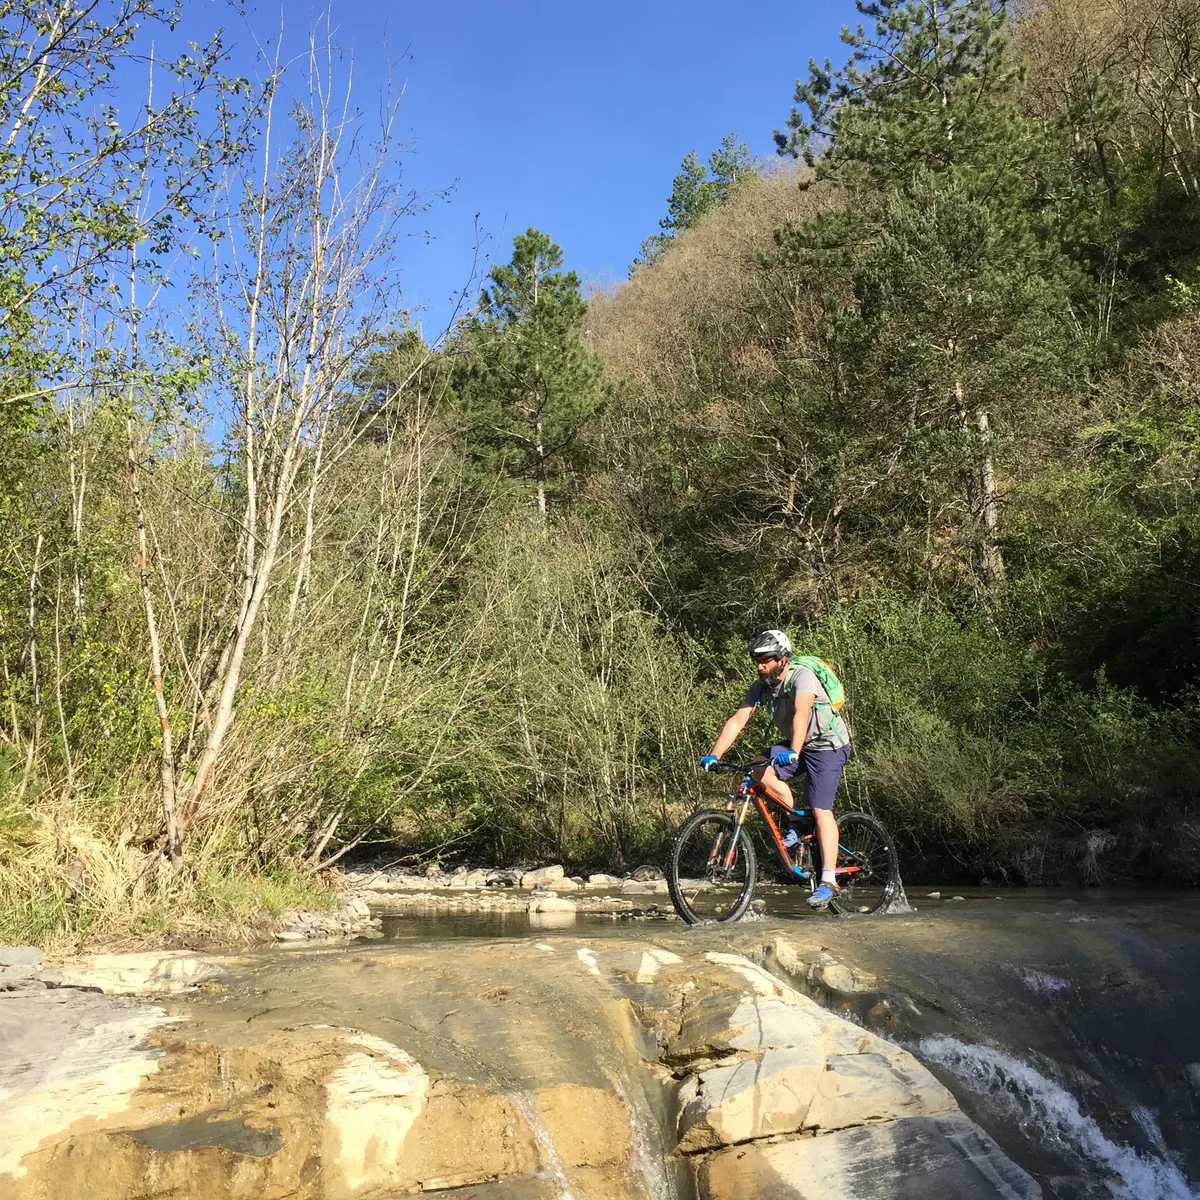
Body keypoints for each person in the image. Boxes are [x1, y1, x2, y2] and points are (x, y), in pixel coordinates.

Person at [700, 629, 851, 909]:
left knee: (821, 809)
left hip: (827, 745)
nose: (760, 666)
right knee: (756, 768)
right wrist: (714, 754)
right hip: (797, 744)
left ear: (782, 659)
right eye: (757, 661)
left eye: (765, 660)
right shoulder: (761, 686)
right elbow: (737, 720)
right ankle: (797, 821)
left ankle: (829, 880)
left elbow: (802, 714)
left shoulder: (802, 676)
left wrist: (793, 751)